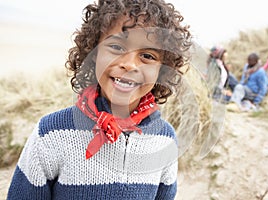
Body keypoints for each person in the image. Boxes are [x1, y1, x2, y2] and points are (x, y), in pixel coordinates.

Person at [7, 0, 192, 199]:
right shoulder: (51, 133)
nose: (129, 64)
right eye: (116, 47)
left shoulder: (165, 140)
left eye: (147, 55)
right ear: (93, 53)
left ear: (162, 70)